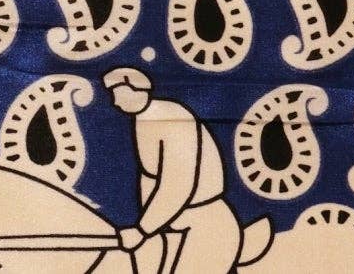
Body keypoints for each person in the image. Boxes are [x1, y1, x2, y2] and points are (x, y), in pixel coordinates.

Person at [102, 67, 271, 274]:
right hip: (172, 229)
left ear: (137, 89)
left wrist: (142, 230)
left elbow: (178, 185)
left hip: (207, 229)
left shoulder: (172, 119)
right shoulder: (142, 119)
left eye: (119, 94)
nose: (115, 102)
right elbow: (150, 180)